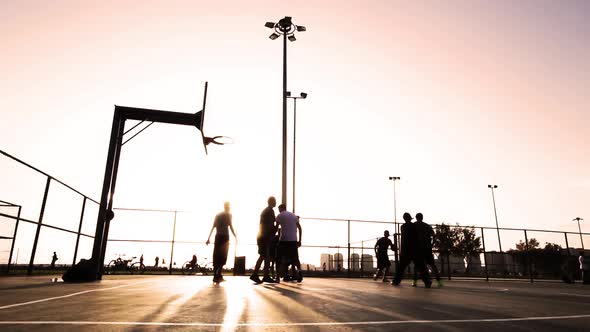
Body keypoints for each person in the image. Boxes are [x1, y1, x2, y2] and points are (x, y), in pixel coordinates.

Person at [392, 212, 431, 287]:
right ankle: (427, 281)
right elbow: (418, 236)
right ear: (410, 218)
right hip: (415, 249)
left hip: (406, 250)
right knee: (421, 266)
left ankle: (396, 281)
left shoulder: (403, 227)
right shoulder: (414, 226)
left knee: (401, 267)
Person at [206, 201, 237, 283]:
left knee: (217, 255)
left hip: (218, 236)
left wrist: (208, 238)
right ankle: (218, 274)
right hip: (224, 237)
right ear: (228, 207)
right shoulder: (229, 215)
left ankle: (216, 275)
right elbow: (231, 226)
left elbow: (213, 226)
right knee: (222, 256)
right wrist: (235, 236)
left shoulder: (218, 215)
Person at [250, 196, 277, 284]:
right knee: (264, 256)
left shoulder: (265, 211)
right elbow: (270, 226)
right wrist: (276, 227)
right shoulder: (270, 211)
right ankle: (256, 274)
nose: (276, 202)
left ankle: (264, 275)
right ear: (271, 202)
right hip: (265, 237)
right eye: (275, 201)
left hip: (261, 235)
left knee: (265, 256)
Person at [412, 213, 442, 287]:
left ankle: (415, 282)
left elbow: (410, 237)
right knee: (432, 265)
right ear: (422, 217)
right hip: (427, 247)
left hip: (418, 248)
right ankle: (439, 282)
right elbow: (434, 236)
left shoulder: (414, 225)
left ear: (416, 217)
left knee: (416, 265)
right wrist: (432, 244)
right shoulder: (427, 226)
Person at [275, 204, 303, 283]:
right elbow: (300, 228)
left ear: (280, 209)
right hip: (293, 240)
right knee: (295, 258)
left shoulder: (280, 215)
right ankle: (299, 272)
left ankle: (277, 277)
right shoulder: (293, 216)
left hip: (283, 240)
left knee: (278, 258)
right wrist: (300, 240)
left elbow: (276, 227)